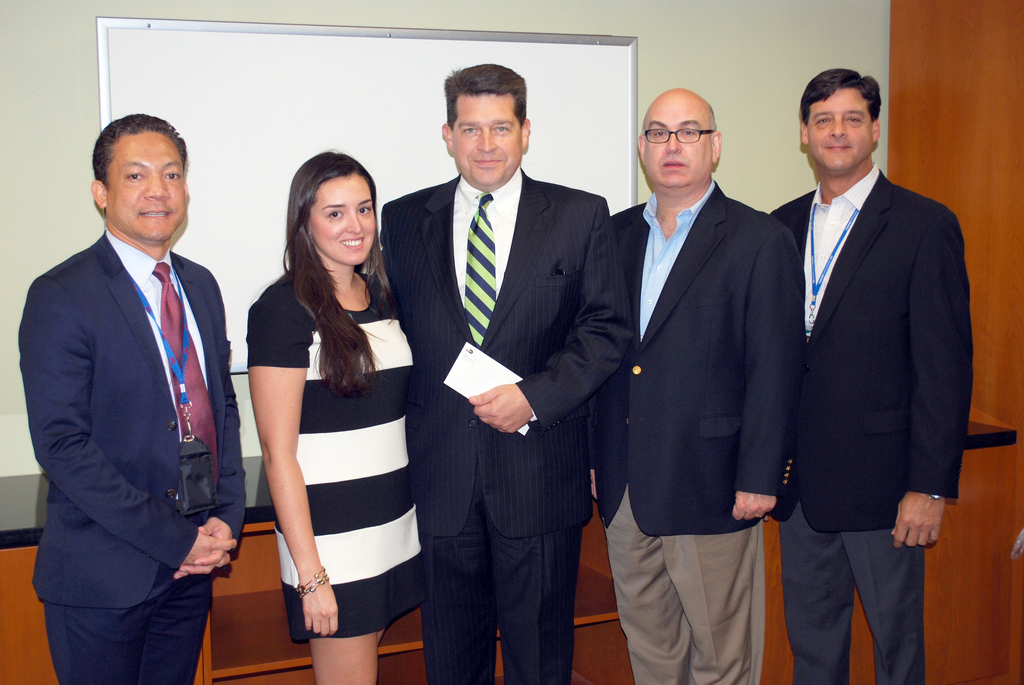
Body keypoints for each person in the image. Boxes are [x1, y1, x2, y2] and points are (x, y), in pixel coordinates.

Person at [380, 63, 630, 684]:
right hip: (441, 483)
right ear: (447, 134)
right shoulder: (403, 220)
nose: (485, 144)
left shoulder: (579, 215)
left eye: (500, 128)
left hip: (539, 475)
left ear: (525, 132)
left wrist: (534, 398)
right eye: (470, 129)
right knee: (451, 659)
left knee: (540, 662)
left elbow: (605, 330)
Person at [18, 113, 246, 685]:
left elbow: (220, 411)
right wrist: (177, 540)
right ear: (101, 193)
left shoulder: (201, 284)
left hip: (192, 567)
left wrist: (225, 517)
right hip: (105, 579)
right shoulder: (61, 296)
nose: (157, 191)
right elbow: (62, 446)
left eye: (171, 175)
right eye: (136, 176)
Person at [591, 89, 805, 685]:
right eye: (659, 133)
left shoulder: (758, 240)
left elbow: (776, 370)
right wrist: (596, 455)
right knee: (651, 648)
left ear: (715, 146)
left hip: (712, 485)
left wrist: (761, 477)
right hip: (626, 486)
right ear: (642, 148)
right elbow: (601, 357)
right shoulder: (612, 237)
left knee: (722, 658)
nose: (673, 145)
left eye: (689, 131)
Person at [770, 68, 973, 685]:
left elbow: (945, 368)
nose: (837, 131)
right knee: (813, 651)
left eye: (852, 119)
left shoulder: (922, 224)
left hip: (887, 493)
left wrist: (929, 487)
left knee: (898, 653)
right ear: (804, 134)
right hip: (799, 490)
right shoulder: (777, 226)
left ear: (874, 130)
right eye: (823, 120)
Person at [247, 152, 425, 685]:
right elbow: (279, 456)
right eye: (335, 213)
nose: (356, 226)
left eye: (364, 209)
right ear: (304, 221)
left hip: (392, 526)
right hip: (332, 544)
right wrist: (311, 576)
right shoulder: (283, 309)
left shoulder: (381, 294)